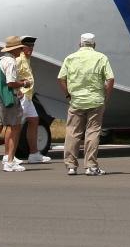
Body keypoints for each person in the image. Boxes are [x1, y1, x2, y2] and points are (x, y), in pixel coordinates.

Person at [58, 33, 115, 176]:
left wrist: (68, 95)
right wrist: (106, 96)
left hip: (76, 100)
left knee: (73, 132)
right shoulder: (101, 57)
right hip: (96, 100)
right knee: (93, 132)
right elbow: (110, 78)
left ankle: (71, 165)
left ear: (80, 44)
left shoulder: (70, 58)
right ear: (94, 44)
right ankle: (91, 166)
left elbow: (61, 78)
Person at [0, 36, 32, 172]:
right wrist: (24, 83)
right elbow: (10, 83)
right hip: (7, 99)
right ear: (16, 49)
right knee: (15, 127)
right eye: (20, 48)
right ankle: (9, 161)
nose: (21, 50)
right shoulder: (11, 62)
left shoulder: (0, 60)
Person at [15, 36, 52, 165]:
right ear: (21, 47)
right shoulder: (19, 60)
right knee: (16, 126)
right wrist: (17, 89)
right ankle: (9, 155)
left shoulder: (26, 59)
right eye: (28, 46)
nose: (30, 49)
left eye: (32, 47)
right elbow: (11, 76)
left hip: (28, 96)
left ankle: (34, 153)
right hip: (22, 96)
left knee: (34, 120)